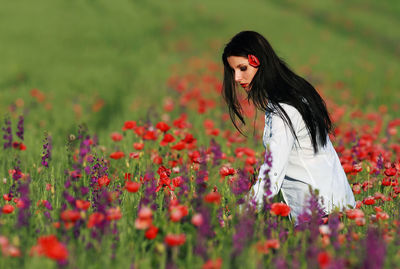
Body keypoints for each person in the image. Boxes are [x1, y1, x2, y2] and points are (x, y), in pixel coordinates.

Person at [221, 31, 355, 222]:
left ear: (259, 62)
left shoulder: (283, 109)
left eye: (242, 68)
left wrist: (237, 216)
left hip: (321, 214)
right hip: (338, 205)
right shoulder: (295, 94)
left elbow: (271, 176)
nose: (236, 77)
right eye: (233, 70)